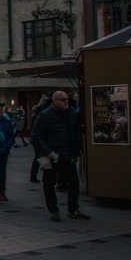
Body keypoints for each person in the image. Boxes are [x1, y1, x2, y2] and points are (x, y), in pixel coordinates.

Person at [32, 90, 89, 221]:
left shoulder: (71, 113)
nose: (66, 102)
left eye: (67, 99)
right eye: (63, 100)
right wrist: (48, 153)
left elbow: (75, 133)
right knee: (49, 183)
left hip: (68, 154)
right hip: (53, 155)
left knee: (73, 183)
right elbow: (37, 136)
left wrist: (76, 151)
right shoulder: (45, 115)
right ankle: (54, 210)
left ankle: (73, 209)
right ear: (55, 101)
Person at [0, 102, 15, 202]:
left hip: (3, 151)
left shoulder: (6, 121)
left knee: (2, 172)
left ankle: (2, 192)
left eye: (1, 109)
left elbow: (10, 136)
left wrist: (6, 148)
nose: (1, 111)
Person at [28, 95, 51, 182]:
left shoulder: (37, 110)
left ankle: (34, 176)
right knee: (39, 156)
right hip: (37, 137)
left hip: (35, 137)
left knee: (38, 156)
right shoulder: (41, 111)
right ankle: (35, 176)